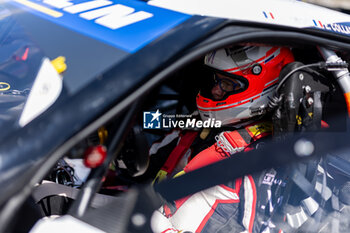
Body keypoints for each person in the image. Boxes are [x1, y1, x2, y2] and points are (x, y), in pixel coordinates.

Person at [149, 45, 297, 233]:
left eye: (227, 84)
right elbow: (151, 159)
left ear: (262, 89)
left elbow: (266, 227)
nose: (216, 91)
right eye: (216, 81)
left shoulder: (260, 158)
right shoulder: (200, 123)